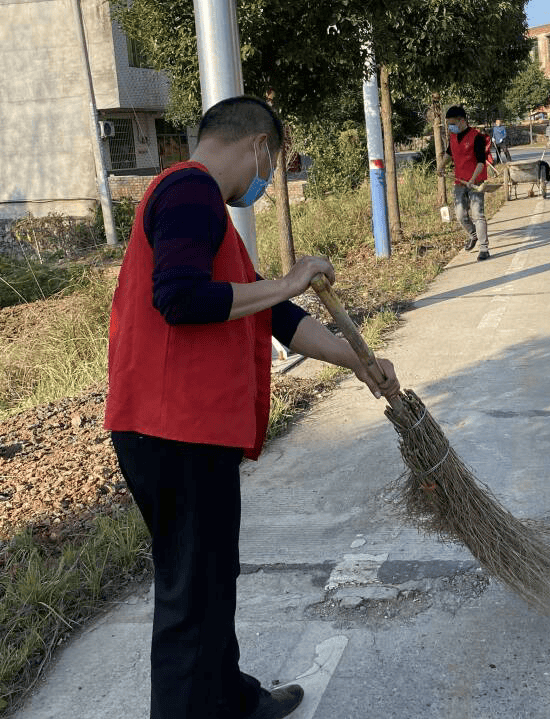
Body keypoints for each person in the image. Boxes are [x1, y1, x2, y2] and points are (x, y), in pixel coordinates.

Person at [104, 96, 400, 719]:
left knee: (212, 580)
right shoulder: (189, 193)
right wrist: (291, 278)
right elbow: (180, 299)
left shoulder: (203, 208)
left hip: (186, 430)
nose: (267, 184)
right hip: (171, 430)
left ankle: (232, 700)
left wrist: (357, 359)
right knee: (190, 598)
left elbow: (274, 314)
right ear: (260, 147)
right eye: (274, 166)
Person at [437, 106, 491, 261]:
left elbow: (481, 162)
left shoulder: (476, 137)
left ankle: (484, 248)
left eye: (452, 123)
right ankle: (473, 235)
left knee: (477, 214)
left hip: (476, 182)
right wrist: (441, 166)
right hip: (459, 182)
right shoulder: (453, 136)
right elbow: (449, 153)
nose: (450, 127)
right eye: (448, 124)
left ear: (462, 121)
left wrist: (472, 180)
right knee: (460, 215)